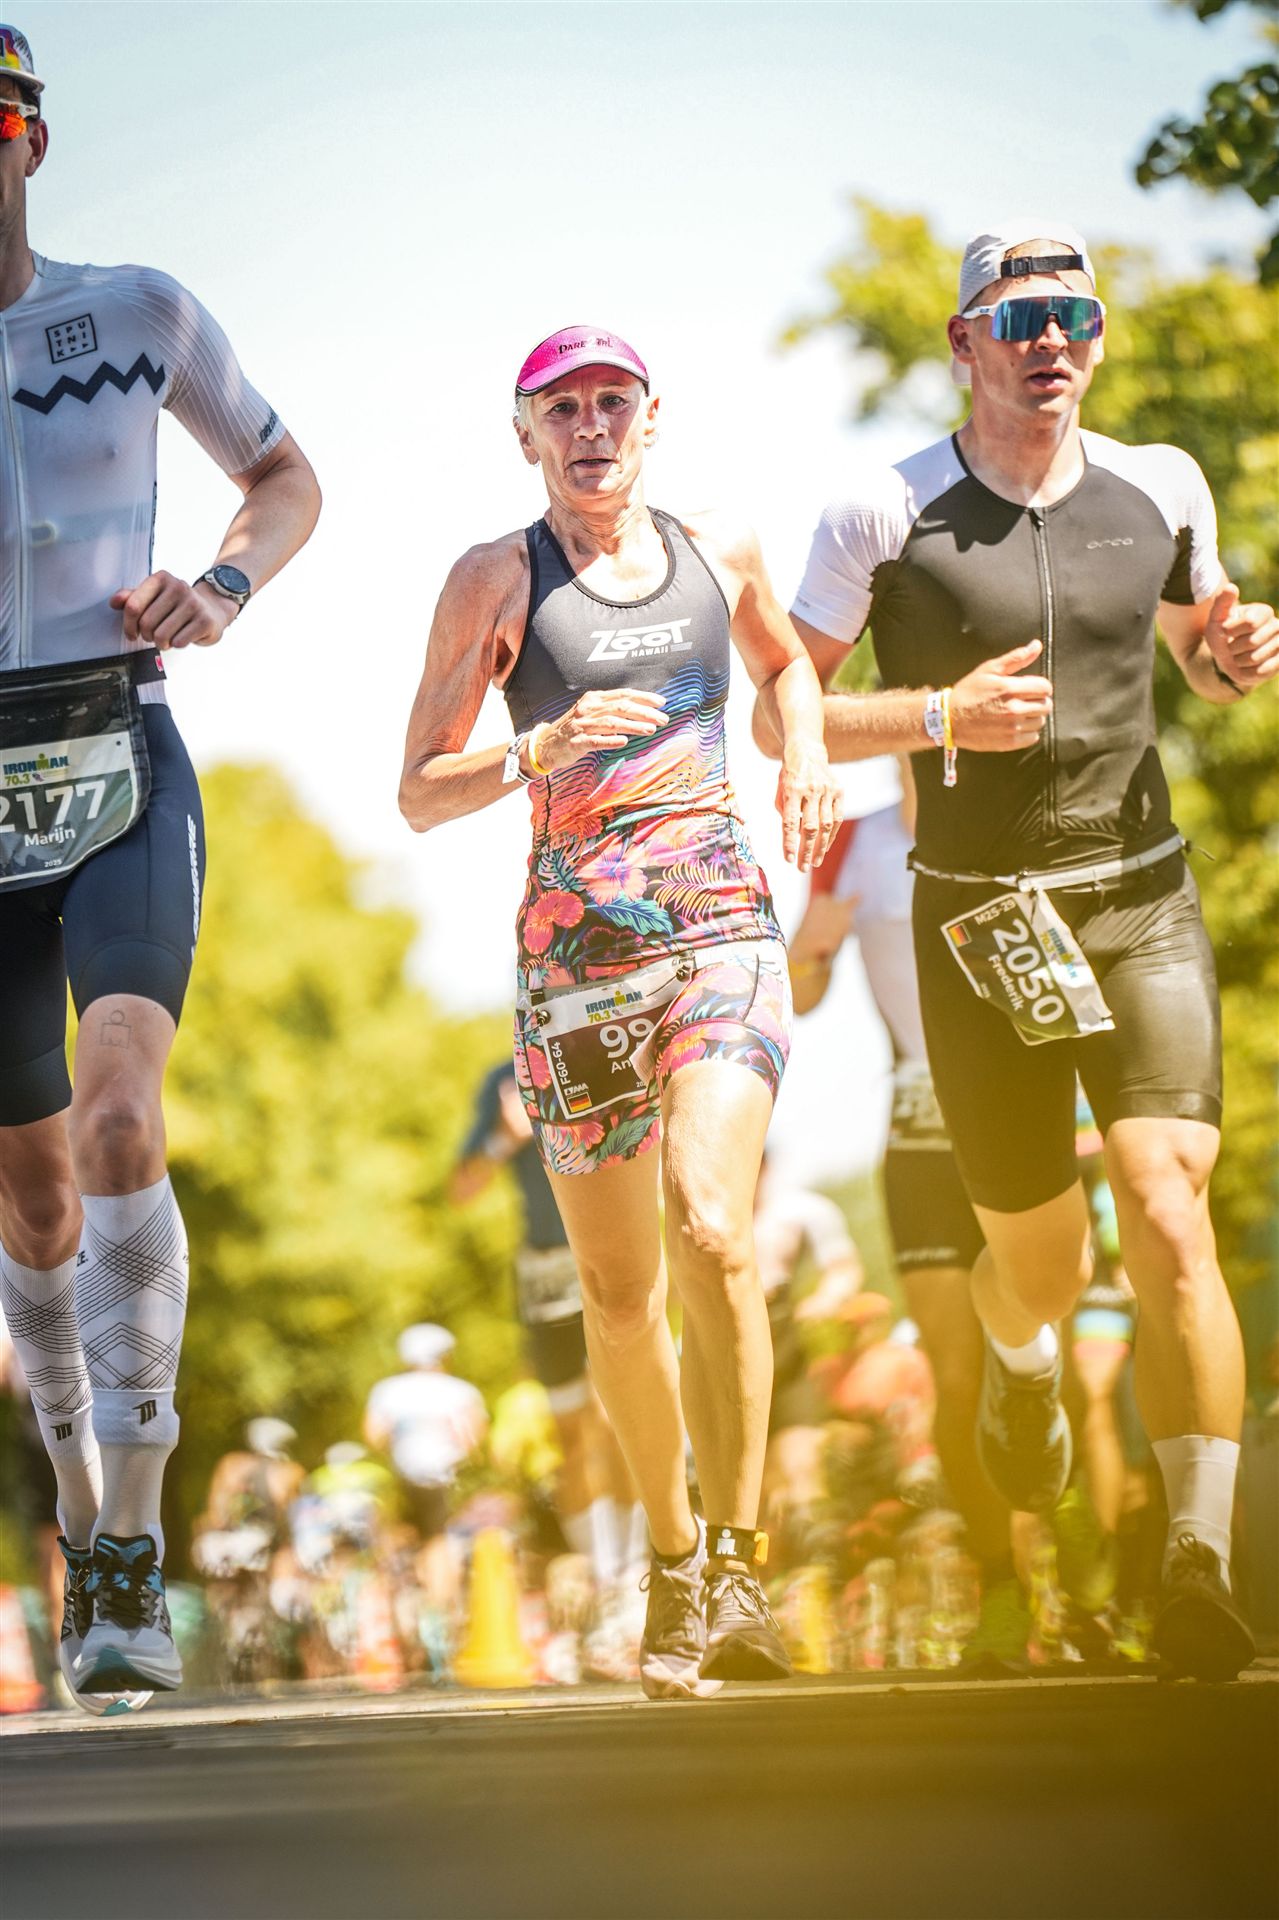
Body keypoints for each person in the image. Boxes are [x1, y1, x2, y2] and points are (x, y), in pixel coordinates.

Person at [763, 219, 1277, 1681]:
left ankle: (1194, 1558)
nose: (1052, 339)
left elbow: (1196, 650)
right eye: (1019, 317)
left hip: (1138, 898)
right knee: (1039, 1265)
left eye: (1075, 317)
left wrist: (1233, 653)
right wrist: (934, 716)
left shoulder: (1159, 484)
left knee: (1167, 1204)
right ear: (962, 344)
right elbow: (783, 714)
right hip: (981, 918)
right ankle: (1019, 1356)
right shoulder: (880, 510)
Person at [399, 326, 840, 1695]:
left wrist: (805, 753)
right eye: (563, 409)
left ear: (652, 419)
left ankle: (739, 1563)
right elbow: (417, 789)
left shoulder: (721, 548)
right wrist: (528, 748)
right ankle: (671, 1557)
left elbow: (785, 667)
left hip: (717, 925)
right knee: (617, 1288)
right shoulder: (494, 578)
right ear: (524, 432)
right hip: (575, 962)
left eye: (612, 403)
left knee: (713, 1225)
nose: (589, 427)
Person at [0, 28, 321, 1708]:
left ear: (30, 140)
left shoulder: (133, 312)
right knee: (33, 1196)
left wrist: (223, 586)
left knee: (121, 1117)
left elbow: (283, 476)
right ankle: (77, 1503)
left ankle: (128, 1539)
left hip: (113, 748)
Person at [784, 759, 1033, 1672]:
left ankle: (1086, 1577)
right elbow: (800, 995)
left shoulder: (1020, 811)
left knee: (1040, 1356)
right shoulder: (855, 839)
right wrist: (808, 950)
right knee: (954, 1369)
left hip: (1024, 1110)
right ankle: (1003, 1587)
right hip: (921, 1120)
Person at [452, 1061, 645, 1605]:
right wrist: (504, 1138)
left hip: (608, 1250)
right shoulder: (502, 1079)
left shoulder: (606, 1043)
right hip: (544, 1274)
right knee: (571, 1435)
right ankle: (604, 1579)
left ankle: (637, 1571)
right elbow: (461, 1188)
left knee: (613, 1417)